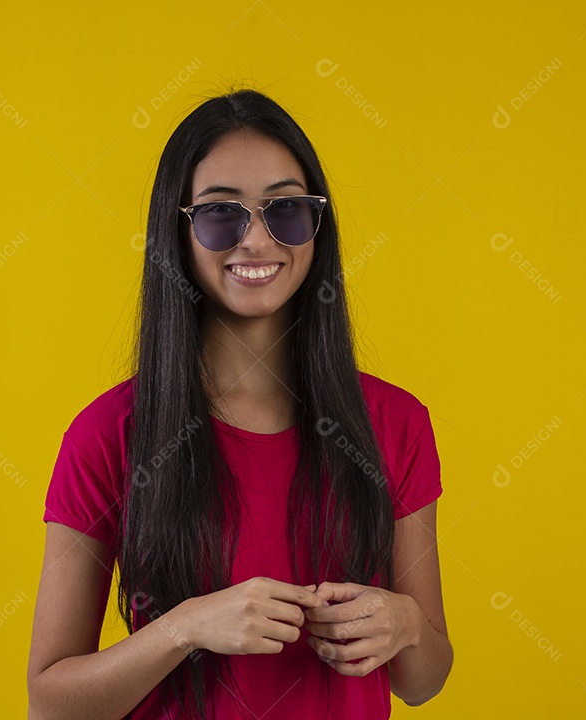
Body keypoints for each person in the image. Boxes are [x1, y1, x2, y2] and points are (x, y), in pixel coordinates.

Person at [27, 87, 453, 720]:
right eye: (222, 214)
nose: (256, 240)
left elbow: (422, 681)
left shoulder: (395, 423)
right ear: (179, 228)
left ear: (316, 224)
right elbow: (51, 705)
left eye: (285, 209)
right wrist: (186, 626)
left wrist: (409, 624)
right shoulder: (108, 434)